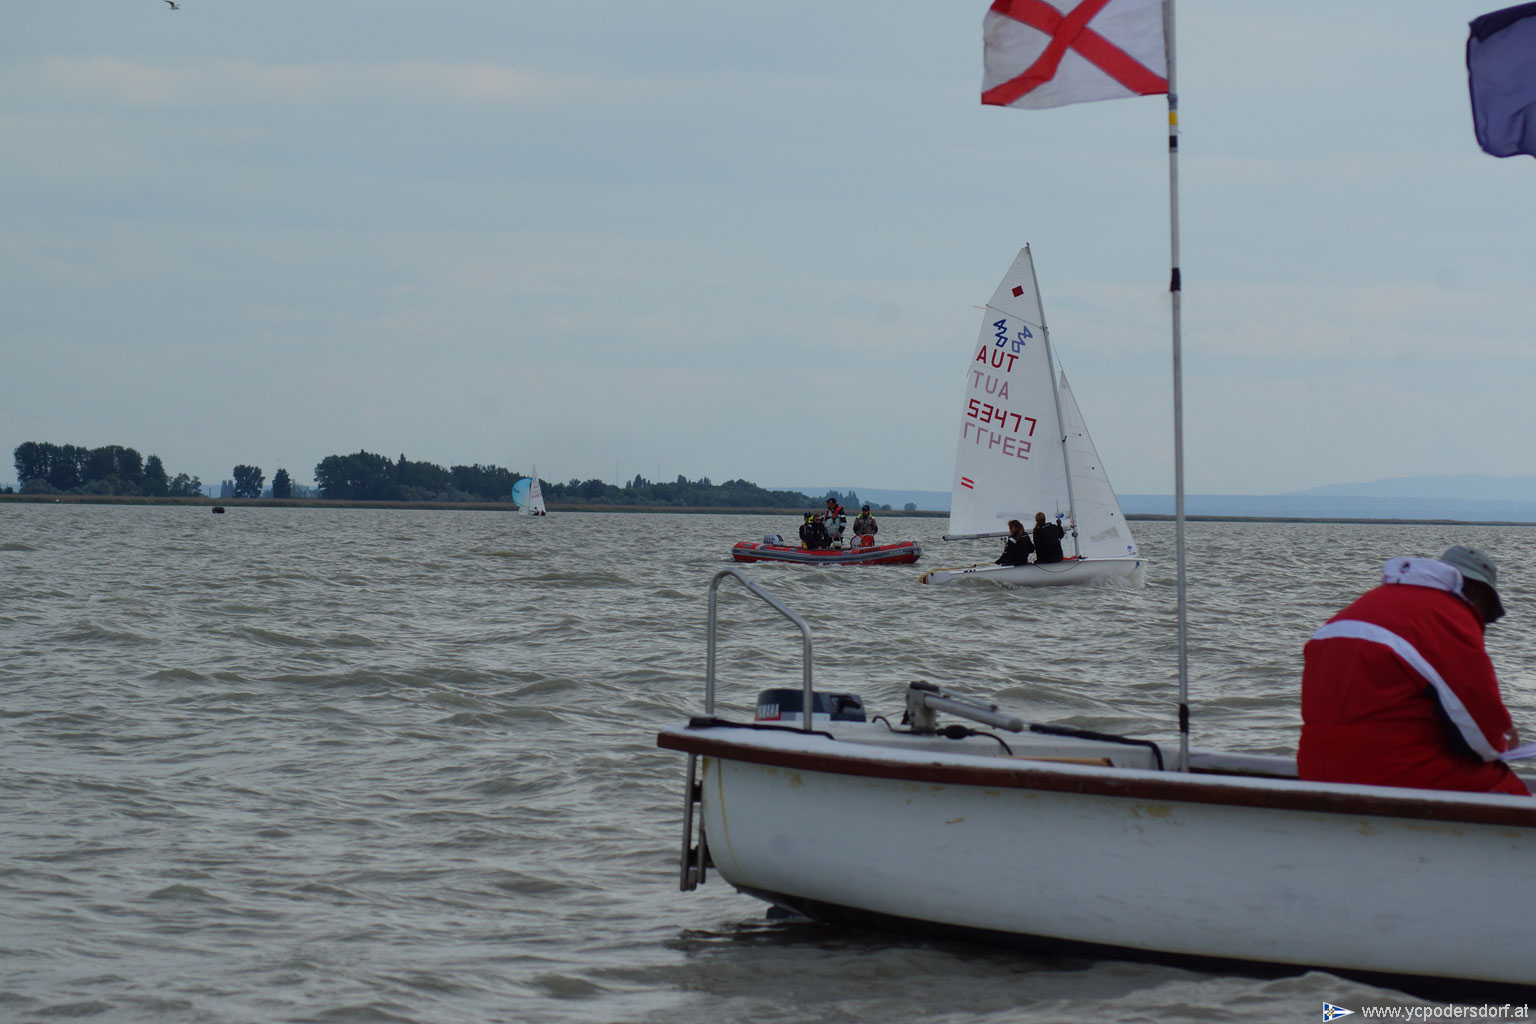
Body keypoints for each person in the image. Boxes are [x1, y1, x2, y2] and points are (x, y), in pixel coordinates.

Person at [1298, 545, 1527, 796]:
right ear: (1476, 592)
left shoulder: (1363, 606)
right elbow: (1481, 741)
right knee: (1509, 791)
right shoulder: (1445, 618)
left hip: (1314, 770)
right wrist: (1502, 740)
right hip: (1389, 775)